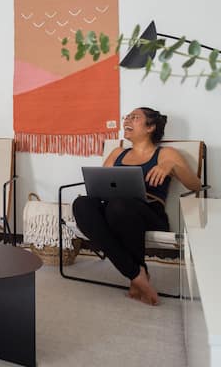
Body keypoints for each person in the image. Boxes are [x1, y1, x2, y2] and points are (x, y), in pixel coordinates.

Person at [72, 107, 201, 306]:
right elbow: (99, 186)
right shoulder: (117, 153)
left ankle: (135, 275)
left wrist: (172, 166)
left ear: (150, 127)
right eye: (127, 117)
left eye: (135, 117)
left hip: (150, 214)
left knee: (119, 205)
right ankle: (136, 273)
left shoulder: (165, 153)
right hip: (114, 210)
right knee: (81, 204)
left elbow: (196, 186)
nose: (127, 121)